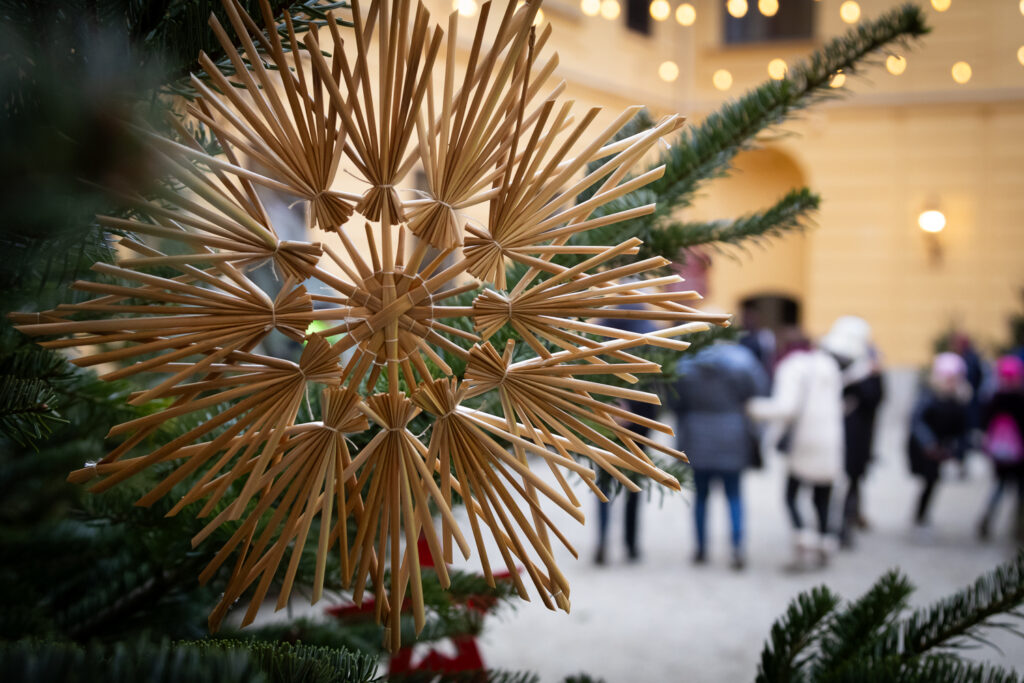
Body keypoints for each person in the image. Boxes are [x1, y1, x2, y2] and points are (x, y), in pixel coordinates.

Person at [748, 329, 844, 570]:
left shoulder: (791, 367)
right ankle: (824, 543)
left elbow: (786, 408)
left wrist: (754, 408)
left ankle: (803, 539)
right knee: (823, 496)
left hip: (804, 439)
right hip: (831, 437)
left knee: (791, 495)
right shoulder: (828, 363)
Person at [671, 341, 768, 570]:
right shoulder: (741, 362)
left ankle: (701, 548)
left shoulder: (686, 366)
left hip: (697, 436)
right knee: (734, 494)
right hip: (732, 435)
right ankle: (737, 547)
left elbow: (675, 402)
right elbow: (758, 390)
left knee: (701, 497)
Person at [819, 316, 885, 549]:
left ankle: (844, 527)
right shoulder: (830, 360)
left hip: (856, 435)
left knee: (851, 483)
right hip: (836, 433)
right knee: (831, 482)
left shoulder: (869, 366)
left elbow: (875, 399)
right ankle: (828, 526)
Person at [907, 352, 970, 533]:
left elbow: (961, 428)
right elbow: (916, 421)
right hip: (926, 449)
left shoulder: (958, 398)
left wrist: (957, 450)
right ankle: (920, 517)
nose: (951, 382)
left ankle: (921, 515)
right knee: (929, 480)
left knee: (932, 482)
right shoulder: (929, 396)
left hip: (940, 447)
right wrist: (929, 443)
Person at [977, 355, 1024, 542]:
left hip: (999, 453)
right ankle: (1018, 526)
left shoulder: (994, 398)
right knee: (1019, 491)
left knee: (999, 487)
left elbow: (985, 423)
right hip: (1019, 453)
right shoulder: (1019, 400)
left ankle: (987, 519)